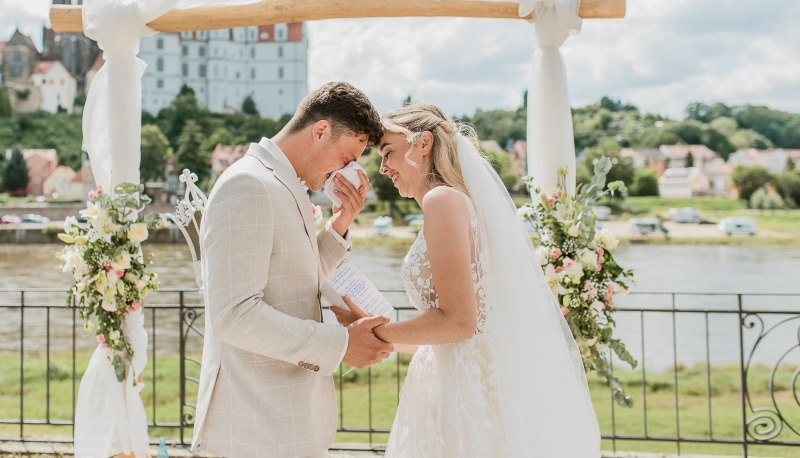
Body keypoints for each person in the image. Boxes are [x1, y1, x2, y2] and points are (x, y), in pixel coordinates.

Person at [332, 103, 601, 457]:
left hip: (464, 394)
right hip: (461, 378)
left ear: (423, 143)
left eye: (388, 153)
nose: (382, 168)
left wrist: (374, 333)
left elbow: (458, 322)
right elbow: (454, 333)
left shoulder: (442, 200)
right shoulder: (462, 203)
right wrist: (373, 332)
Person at [191, 82, 394, 458]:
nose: (347, 173)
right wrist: (342, 345)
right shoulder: (247, 185)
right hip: (256, 429)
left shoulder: (281, 182)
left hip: (287, 425)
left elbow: (294, 274)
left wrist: (340, 225)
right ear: (320, 132)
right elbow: (233, 316)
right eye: (348, 158)